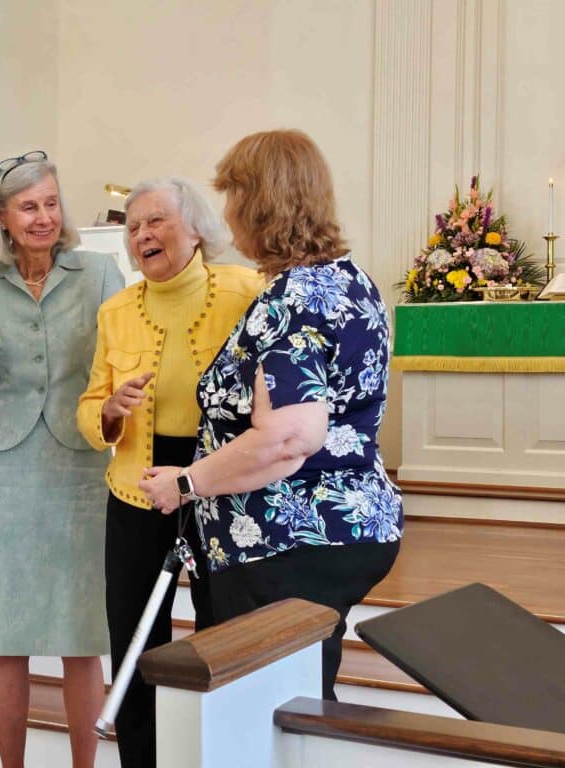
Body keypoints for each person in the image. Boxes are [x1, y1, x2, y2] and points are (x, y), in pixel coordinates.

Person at [140, 129, 403, 701]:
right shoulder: (350, 281)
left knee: (261, 716)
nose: (227, 214)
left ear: (259, 203)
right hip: (348, 522)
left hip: (287, 540)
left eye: (233, 196)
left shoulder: (294, 299)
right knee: (299, 706)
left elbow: (288, 438)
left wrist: (186, 482)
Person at [0, 150, 124, 768]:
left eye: (51, 203)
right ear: (3, 216)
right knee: (6, 633)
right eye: (28, 206)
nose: (43, 217)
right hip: (4, 471)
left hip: (84, 467)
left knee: (83, 634)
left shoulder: (100, 273)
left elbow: (122, 367)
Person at [77, 177, 263, 768]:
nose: (142, 235)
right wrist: (108, 412)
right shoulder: (115, 312)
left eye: (156, 221)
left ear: (195, 228)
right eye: (133, 228)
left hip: (222, 492)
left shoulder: (246, 290)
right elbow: (89, 405)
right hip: (137, 494)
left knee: (223, 636)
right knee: (134, 646)